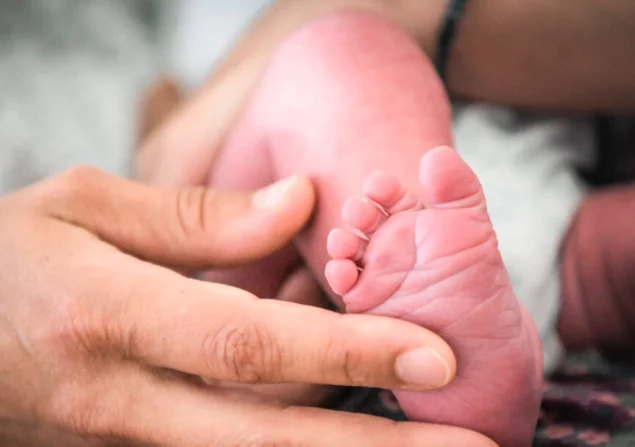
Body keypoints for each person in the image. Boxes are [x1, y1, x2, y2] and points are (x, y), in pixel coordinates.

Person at [0, 1, 497, 445]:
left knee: (334, 66)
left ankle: (482, 313)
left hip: (168, 172)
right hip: (143, 231)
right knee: (336, 67)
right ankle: (494, 328)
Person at [137, 0, 635, 444]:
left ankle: (459, 338)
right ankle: (421, 276)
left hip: (540, 189)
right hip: (390, 181)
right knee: (332, 47)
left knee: (333, 54)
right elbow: (165, 134)